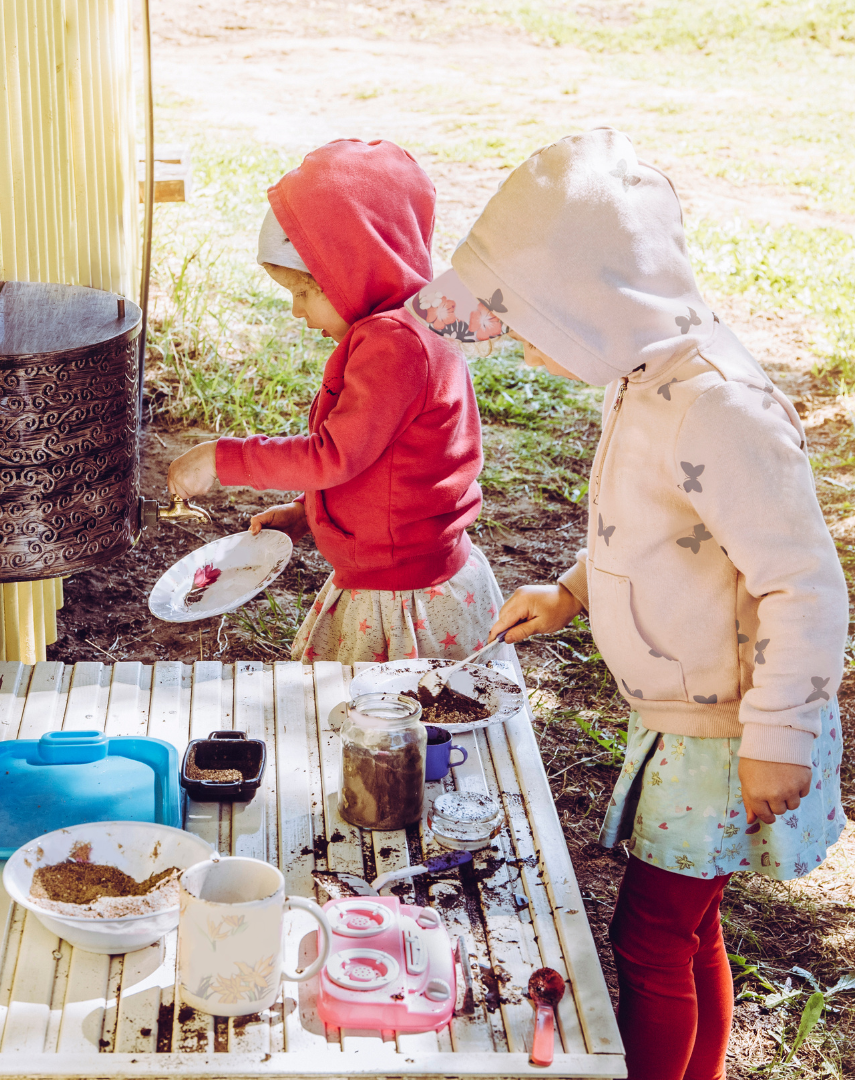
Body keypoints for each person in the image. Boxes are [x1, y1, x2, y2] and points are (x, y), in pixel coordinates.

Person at [416, 129, 847, 1079]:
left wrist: (778, 728)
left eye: (526, 319)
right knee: (687, 929)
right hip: (689, 719)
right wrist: (569, 591)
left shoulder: (720, 409)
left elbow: (804, 581)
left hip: (729, 729)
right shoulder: (644, 378)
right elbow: (659, 533)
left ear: (594, 303)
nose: (514, 342)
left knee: (651, 938)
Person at [167, 138, 500, 664]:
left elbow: (333, 454)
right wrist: (310, 513)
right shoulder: (407, 323)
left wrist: (221, 456)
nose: (298, 312)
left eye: (305, 293)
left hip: (401, 592)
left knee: (385, 724)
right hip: (396, 565)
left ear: (355, 269)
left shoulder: (396, 346)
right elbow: (388, 463)